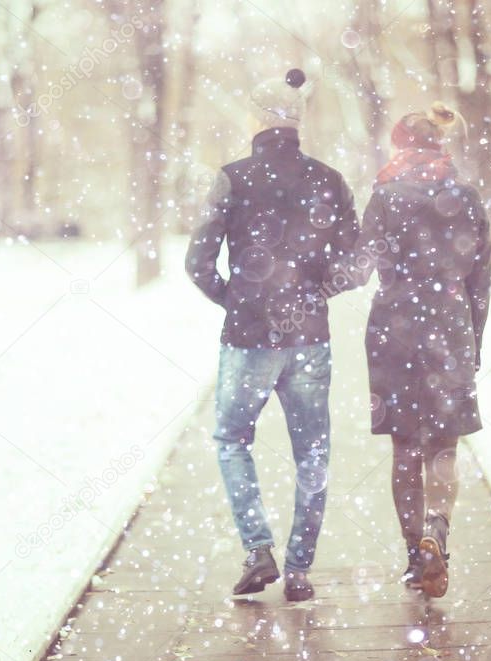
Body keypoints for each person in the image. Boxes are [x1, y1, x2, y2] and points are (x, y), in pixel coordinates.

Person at [185, 68, 360, 601]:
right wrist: (315, 294)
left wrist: (237, 301)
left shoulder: (232, 178)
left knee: (232, 440)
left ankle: (259, 549)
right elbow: (359, 263)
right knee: (312, 452)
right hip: (309, 339)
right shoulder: (328, 180)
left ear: (258, 120)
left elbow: (197, 262)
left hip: (248, 340)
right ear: (298, 123)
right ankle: (301, 569)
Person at [355, 103, 491, 598]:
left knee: (405, 446)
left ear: (400, 146)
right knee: (444, 445)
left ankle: (416, 553)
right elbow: (480, 280)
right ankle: (438, 528)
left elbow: (358, 267)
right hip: (450, 328)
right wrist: (473, 339)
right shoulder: (467, 197)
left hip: (395, 331)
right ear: (440, 146)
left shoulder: (385, 195)